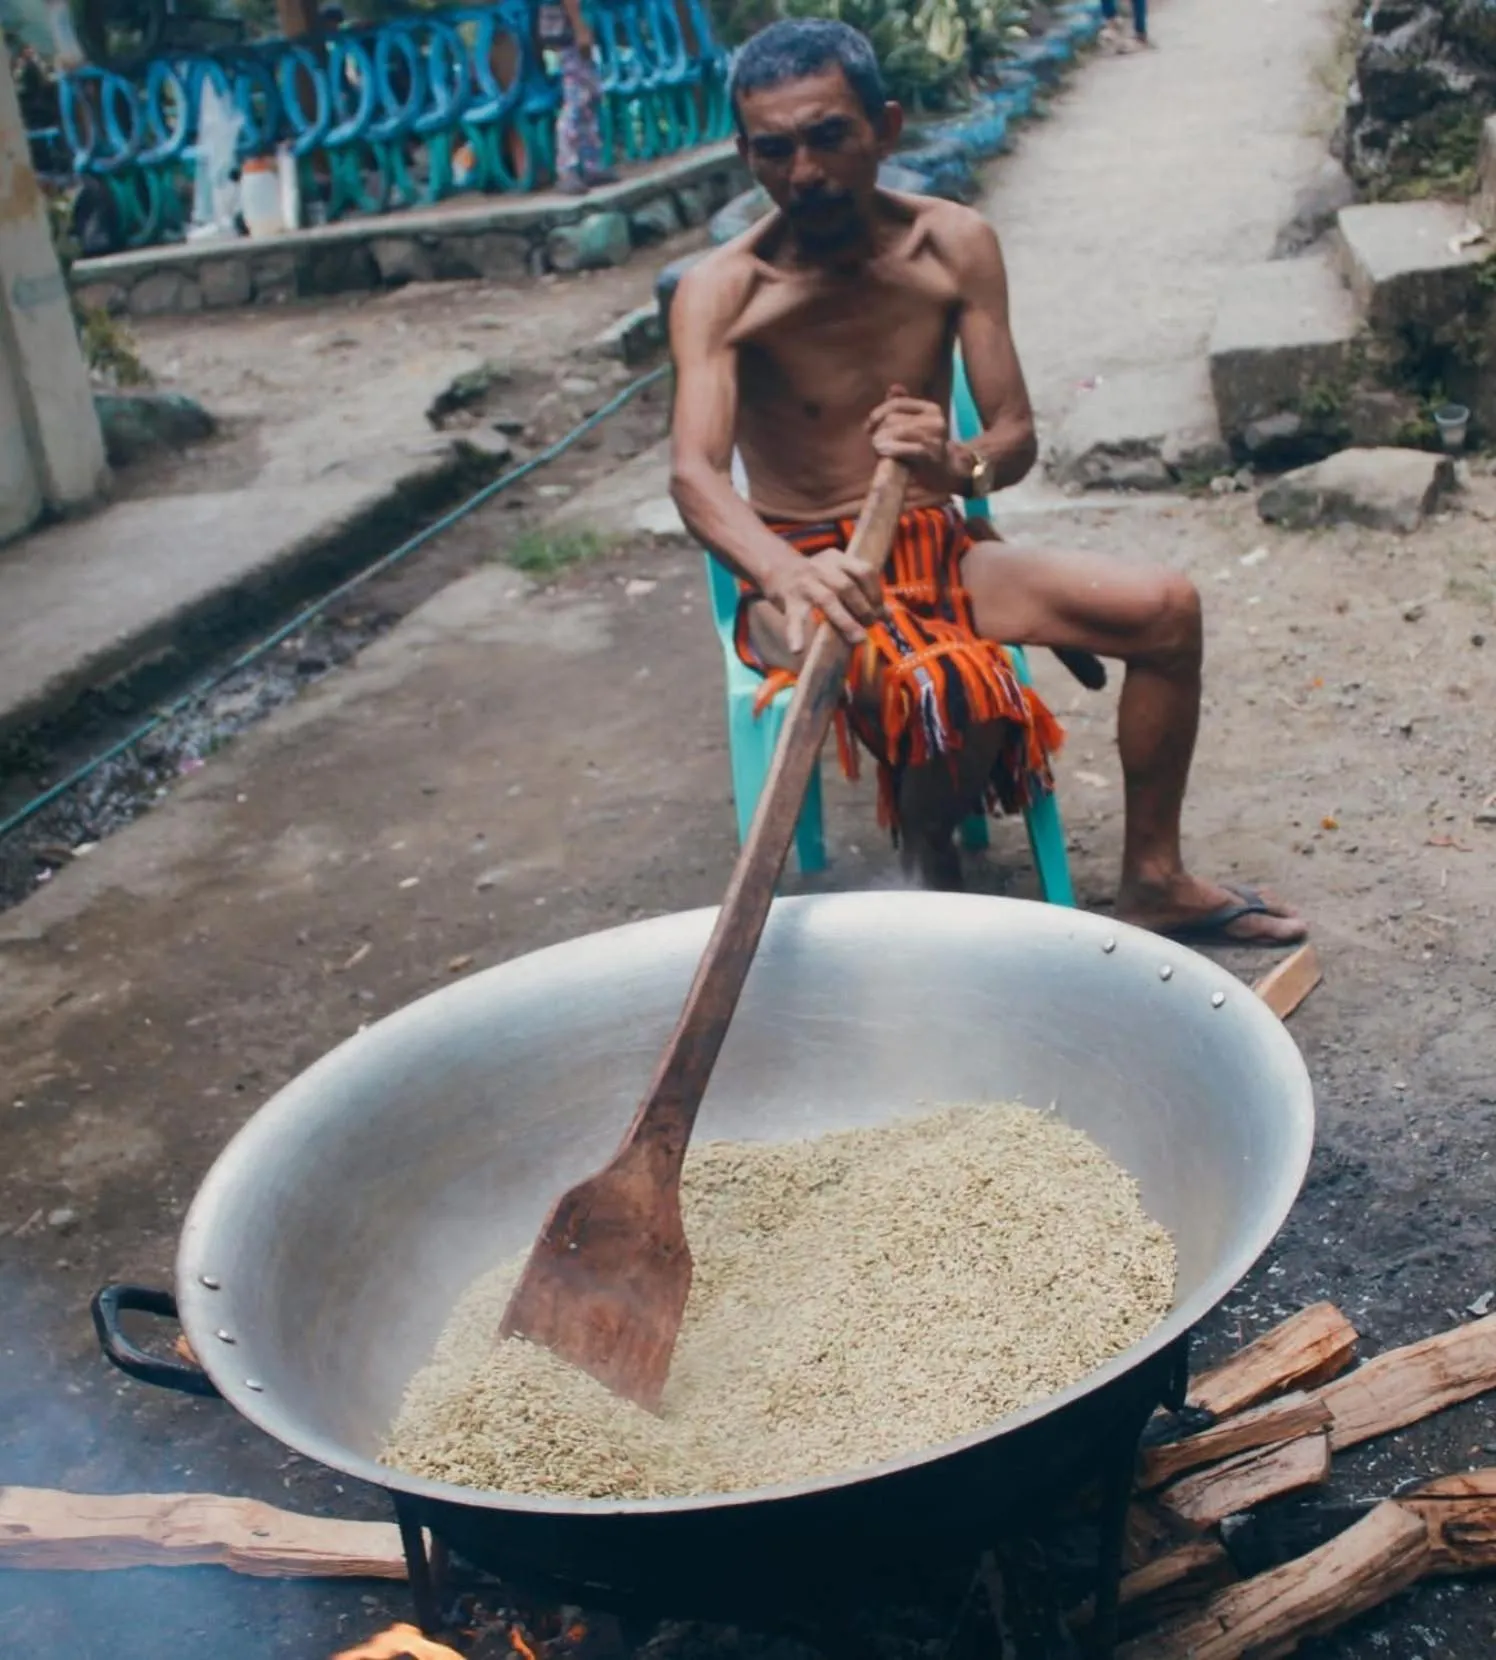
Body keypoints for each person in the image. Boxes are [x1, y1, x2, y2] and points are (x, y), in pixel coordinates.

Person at [667, 18, 1305, 945]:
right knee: (946, 686)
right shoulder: (725, 290)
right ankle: (932, 874)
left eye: (829, 136)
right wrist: (784, 573)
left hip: (937, 544)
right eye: (774, 148)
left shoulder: (953, 246)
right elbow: (694, 473)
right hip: (808, 570)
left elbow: (1012, 439)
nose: (803, 171)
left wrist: (952, 463)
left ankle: (1154, 879)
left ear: (885, 127)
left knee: (1165, 610)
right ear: (745, 152)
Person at [536, 0, 615, 195]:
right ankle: (567, 168)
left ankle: (591, 164)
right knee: (576, 101)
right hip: (569, 32)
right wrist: (580, 28)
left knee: (589, 98)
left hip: (570, 29)